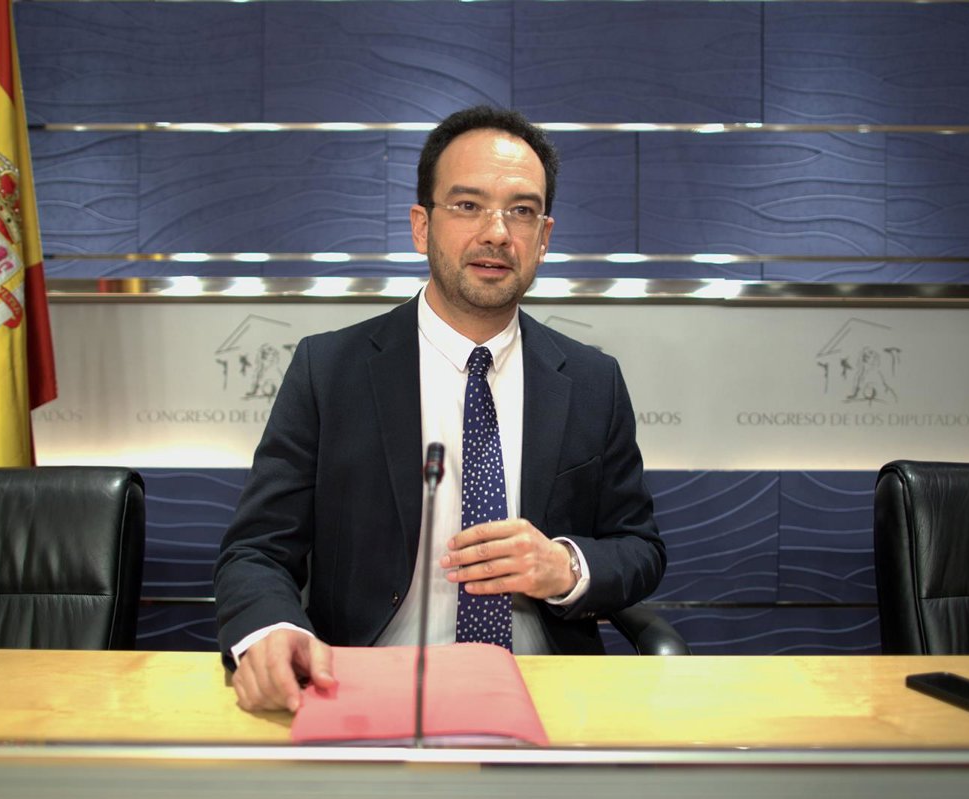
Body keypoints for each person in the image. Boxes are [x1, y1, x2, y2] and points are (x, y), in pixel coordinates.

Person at [214, 105, 665, 712]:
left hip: (546, 694)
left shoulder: (591, 382)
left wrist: (564, 565)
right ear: (421, 226)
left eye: (522, 211)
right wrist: (272, 631)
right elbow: (257, 550)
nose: (497, 233)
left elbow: (639, 548)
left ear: (544, 238)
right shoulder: (331, 370)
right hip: (366, 688)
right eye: (468, 205)